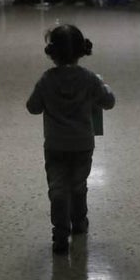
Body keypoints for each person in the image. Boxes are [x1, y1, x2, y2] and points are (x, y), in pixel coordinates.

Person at [26, 24, 115, 254]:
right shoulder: (89, 79)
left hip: (55, 144)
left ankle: (60, 233)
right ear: (81, 51)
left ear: (51, 53)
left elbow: (32, 107)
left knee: (57, 188)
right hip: (83, 144)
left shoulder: (46, 80)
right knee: (78, 185)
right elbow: (109, 102)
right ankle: (79, 223)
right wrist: (105, 87)